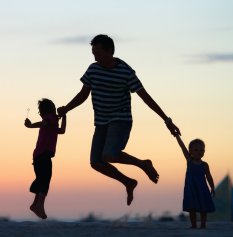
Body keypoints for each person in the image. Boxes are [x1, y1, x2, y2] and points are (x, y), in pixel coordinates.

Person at [57, 34, 180, 205]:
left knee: (109, 154)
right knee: (96, 162)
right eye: (93, 54)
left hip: (120, 119)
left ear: (109, 52)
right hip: (101, 122)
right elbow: (83, 94)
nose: (95, 57)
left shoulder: (125, 72)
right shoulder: (93, 69)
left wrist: (167, 120)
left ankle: (143, 164)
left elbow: (145, 97)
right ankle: (128, 182)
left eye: (98, 53)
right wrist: (66, 109)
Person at [24, 98, 66, 219]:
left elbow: (62, 131)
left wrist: (63, 117)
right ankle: (39, 206)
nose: (40, 114)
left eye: (40, 111)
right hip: (43, 155)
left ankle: (35, 205)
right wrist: (31, 125)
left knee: (42, 179)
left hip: (39, 155)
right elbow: (44, 123)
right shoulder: (50, 119)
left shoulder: (51, 120)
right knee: (45, 180)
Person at [175, 135, 215, 228]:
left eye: (202, 150)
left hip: (202, 189)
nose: (199, 152)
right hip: (191, 189)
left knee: (203, 208)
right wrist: (177, 136)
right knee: (192, 208)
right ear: (191, 151)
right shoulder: (189, 161)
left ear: (204, 151)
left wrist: (212, 187)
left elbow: (209, 176)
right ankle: (193, 225)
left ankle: (203, 224)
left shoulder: (204, 165)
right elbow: (182, 146)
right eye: (196, 150)